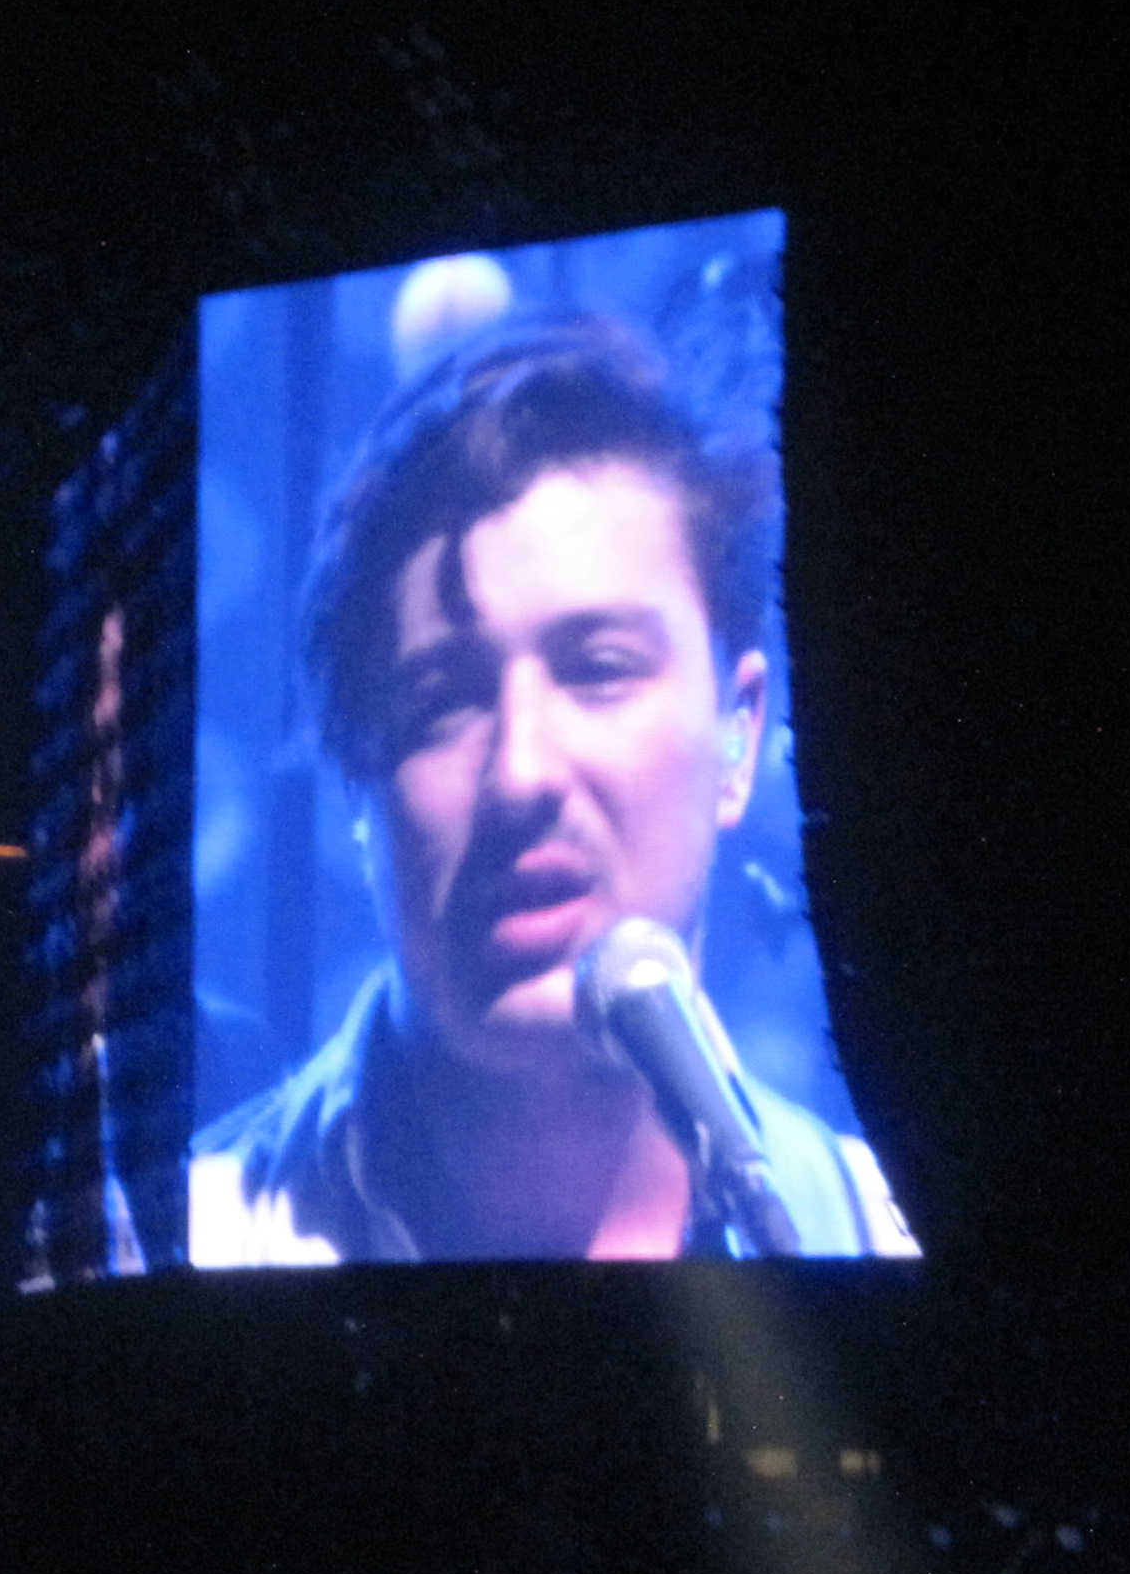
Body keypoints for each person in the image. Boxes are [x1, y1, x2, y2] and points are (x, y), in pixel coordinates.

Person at [189, 315, 916, 1264]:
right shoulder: (180, 1244)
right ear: (355, 786)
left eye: (599, 669)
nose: (521, 775)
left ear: (739, 736)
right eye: (443, 700)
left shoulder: (885, 1241)